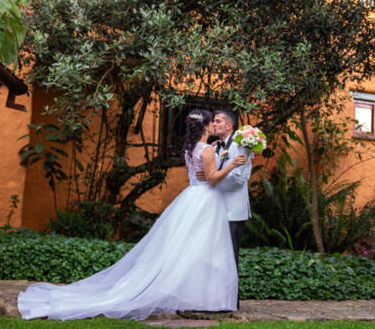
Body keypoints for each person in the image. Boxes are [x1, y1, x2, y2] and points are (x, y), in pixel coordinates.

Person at [17, 109, 247, 321]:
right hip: (205, 200)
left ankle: (198, 296)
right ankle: (201, 296)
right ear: (206, 126)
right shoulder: (206, 150)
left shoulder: (192, 148)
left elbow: (204, 174)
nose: (215, 125)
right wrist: (231, 164)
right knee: (202, 250)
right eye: (212, 122)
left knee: (193, 249)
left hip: (193, 197)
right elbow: (214, 178)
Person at [202, 110, 252, 310]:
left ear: (229, 126)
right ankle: (214, 299)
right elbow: (213, 172)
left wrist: (213, 180)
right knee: (213, 255)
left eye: (218, 121)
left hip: (233, 209)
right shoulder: (213, 147)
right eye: (213, 121)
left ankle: (230, 301)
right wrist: (209, 175)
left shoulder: (243, 146)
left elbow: (239, 179)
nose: (214, 124)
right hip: (215, 208)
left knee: (230, 256)